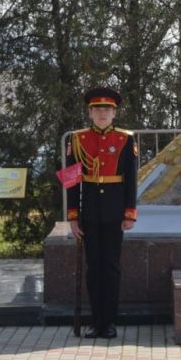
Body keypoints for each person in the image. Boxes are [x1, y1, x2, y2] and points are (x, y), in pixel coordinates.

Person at [66, 87, 137, 339]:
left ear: (114, 113)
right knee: (93, 267)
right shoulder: (77, 139)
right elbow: (72, 181)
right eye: (97, 109)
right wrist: (73, 216)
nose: (102, 113)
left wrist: (129, 213)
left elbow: (131, 179)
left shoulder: (126, 139)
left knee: (111, 267)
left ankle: (109, 322)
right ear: (90, 112)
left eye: (107, 109)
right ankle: (96, 322)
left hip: (115, 211)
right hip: (90, 211)